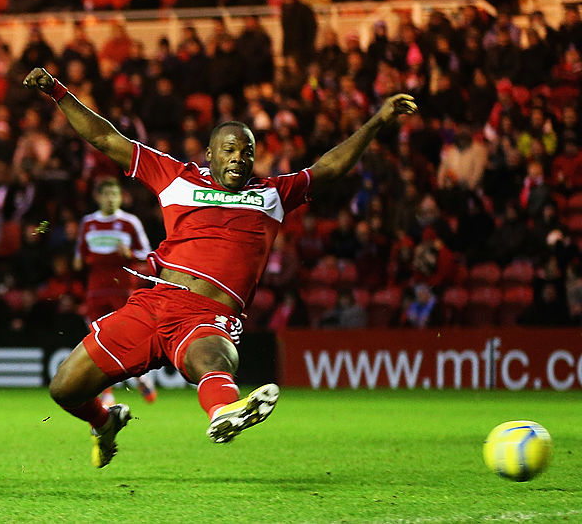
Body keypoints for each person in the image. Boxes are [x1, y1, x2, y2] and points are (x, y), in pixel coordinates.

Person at [24, 67, 416, 468]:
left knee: (213, 357)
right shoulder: (176, 177)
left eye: (247, 151)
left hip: (207, 315)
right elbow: (106, 137)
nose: (239, 158)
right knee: (64, 388)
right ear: (209, 154)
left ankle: (224, 412)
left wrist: (378, 121)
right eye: (229, 149)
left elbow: (330, 167)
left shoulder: (273, 194)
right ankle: (104, 422)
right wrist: (57, 91)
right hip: (151, 306)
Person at [74, 177, 156, 406]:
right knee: (96, 340)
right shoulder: (88, 223)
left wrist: (128, 252)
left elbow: (146, 255)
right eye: (106, 194)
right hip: (96, 291)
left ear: (120, 198)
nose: (110, 199)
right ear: (97, 197)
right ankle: (106, 392)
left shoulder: (130, 222)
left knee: (127, 338)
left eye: (114, 194)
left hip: (123, 290)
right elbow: (79, 260)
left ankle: (142, 377)